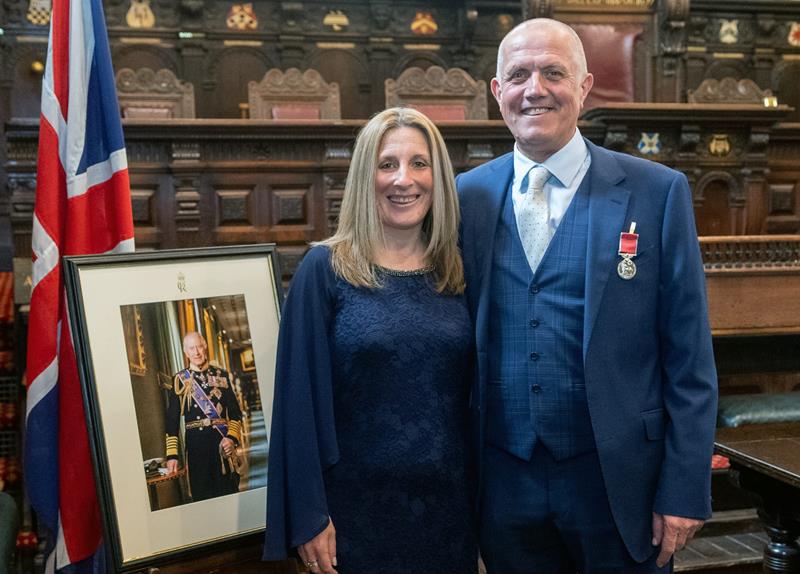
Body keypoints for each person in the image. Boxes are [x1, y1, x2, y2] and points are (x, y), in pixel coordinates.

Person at [457, 18, 718, 573]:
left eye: (554, 72)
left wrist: (684, 487)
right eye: (519, 74)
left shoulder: (656, 191)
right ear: (496, 91)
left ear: (584, 86)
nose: (536, 89)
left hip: (621, 480)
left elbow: (689, 357)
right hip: (505, 481)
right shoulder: (466, 197)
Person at [263, 107, 477, 574]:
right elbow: (296, 406)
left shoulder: (459, 270)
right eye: (388, 164)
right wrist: (309, 516)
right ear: (366, 175)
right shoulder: (325, 270)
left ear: (438, 176)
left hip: (450, 511)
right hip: (353, 515)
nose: (405, 179)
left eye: (420, 164)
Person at [165, 331, 243, 502]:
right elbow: (171, 421)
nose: (197, 352)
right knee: (203, 496)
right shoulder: (180, 379)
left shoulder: (221, 375)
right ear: (186, 352)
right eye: (191, 348)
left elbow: (236, 414)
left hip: (221, 444)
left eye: (199, 346)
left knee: (228, 492)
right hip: (196, 448)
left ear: (205, 346)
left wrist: (231, 438)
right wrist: (172, 455)